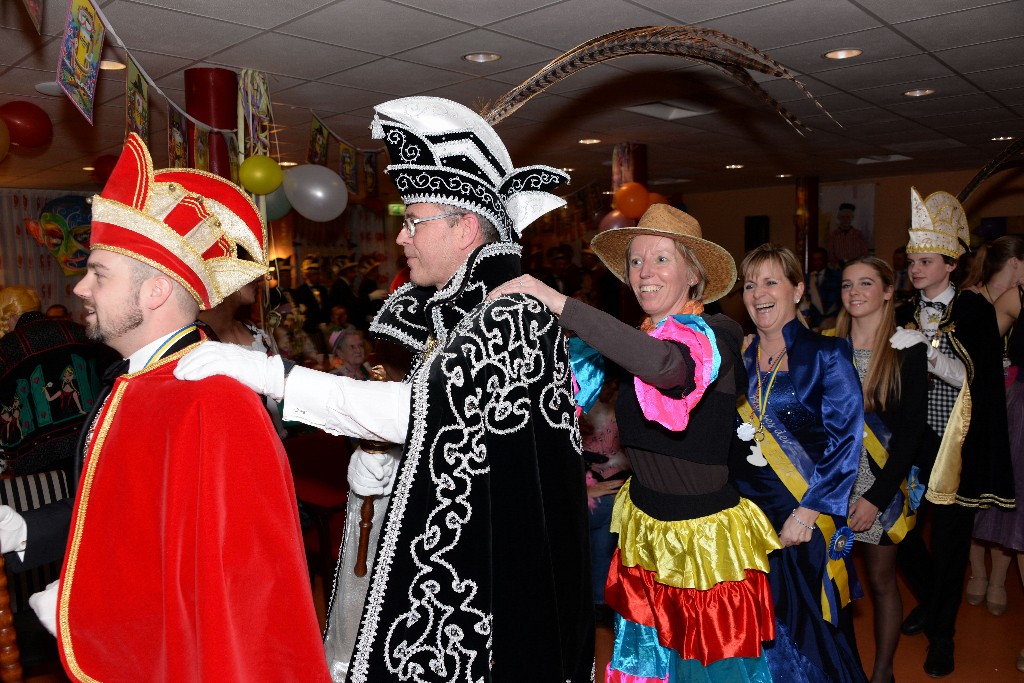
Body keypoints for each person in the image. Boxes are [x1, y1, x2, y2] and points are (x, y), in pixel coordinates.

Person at [175, 96, 593, 682]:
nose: (401, 237)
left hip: (498, 580)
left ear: (465, 225)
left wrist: (269, 374)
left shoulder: (510, 311)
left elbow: (416, 411)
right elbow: (459, 434)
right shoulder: (473, 307)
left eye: (413, 221)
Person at [0, 134, 330, 681]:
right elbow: (129, 519)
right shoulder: (141, 383)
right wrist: (26, 531)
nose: (80, 287)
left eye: (99, 273)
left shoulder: (213, 397)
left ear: (154, 292)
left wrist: (79, 609)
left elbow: (237, 595)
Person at [489, 204, 780, 681]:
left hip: (703, 541)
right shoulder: (637, 339)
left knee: (707, 668)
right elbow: (553, 382)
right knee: (649, 666)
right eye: (637, 261)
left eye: (662, 259)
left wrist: (560, 302)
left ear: (694, 274)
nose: (645, 272)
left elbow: (669, 369)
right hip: (646, 529)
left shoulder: (718, 335)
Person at [890, 188, 1014, 678]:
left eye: (925, 261)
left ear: (949, 265)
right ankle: (932, 597)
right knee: (897, 533)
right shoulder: (902, 310)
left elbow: (976, 381)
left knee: (949, 544)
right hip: (909, 442)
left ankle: (944, 635)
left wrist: (927, 351)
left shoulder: (976, 311)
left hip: (955, 447)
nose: (915, 269)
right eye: (912, 261)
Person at [733, 243, 867, 682]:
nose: (758, 294)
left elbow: (846, 442)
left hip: (802, 517)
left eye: (771, 282)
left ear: (797, 289)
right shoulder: (741, 359)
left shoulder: (827, 354)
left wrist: (807, 514)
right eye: (750, 285)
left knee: (815, 630)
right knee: (763, 632)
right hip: (750, 521)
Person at [834, 256, 929, 683]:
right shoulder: (827, 346)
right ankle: (837, 665)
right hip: (831, 483)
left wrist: (876, 497)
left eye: (866, 283)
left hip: (881, 484)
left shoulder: (906, 349)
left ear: (889, 291)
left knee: (880, 580)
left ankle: (883, 672)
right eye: (847, 284)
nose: (854, 292)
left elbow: (910, 436)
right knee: (830, 580)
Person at [960, 236, 1024, 617]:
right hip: (1012, 408)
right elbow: (976, 350)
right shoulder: (1016, 297)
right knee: (1001, 498)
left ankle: (996, 580)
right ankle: (981, 576)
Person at [0, 286, 115, 475]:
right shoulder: (80, 332)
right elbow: (110, 376)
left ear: (8, 314)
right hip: (94, 440)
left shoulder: (6, 350)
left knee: (53, 503)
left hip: (39, 461)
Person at [292, 254, 330, 353]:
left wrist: (326, 322)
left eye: (318, 274)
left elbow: (326, 307)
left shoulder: (323, 289)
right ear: (307, 275)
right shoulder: (300, 291)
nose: (317, 276)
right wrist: (316, 324)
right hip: (310, 330)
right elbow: (301, 312)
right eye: (314, 274)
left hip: (325, 329)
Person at [802, 246, 842, 331]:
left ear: (826, 260)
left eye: (820, 259)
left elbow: (841, 300)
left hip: (832, 321)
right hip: (813, 322)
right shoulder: (807, 278)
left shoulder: (837, 276)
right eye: (814, 260)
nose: (817, 262)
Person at [827, 202, 869, 267]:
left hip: (855, 267)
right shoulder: (833, 235)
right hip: (839, 268)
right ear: (839, 218)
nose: (845, 220)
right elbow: (831, 254)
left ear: (851, 218)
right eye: (843, 217)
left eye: (848, 217)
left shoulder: (858, 234)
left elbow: (864, 253)